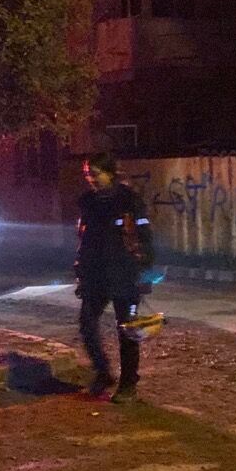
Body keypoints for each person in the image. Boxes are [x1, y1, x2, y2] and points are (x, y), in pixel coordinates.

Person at [74, 152, 155, 403]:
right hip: (96, 275)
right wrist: (81, 269)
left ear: (109, 174)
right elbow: (84, 238)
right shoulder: (88, 202)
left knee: (127, 330)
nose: (91, 179)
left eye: (95, 174)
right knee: (87, 324)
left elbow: (145, 236)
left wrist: (145, 270)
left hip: (124, 274)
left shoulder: (128, 200)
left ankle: (128, 384)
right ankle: (103, 372)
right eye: (87, 174)